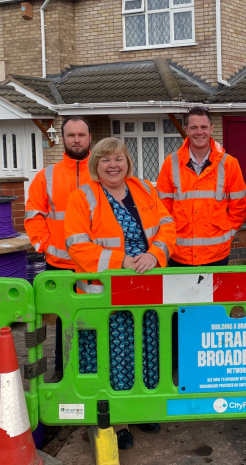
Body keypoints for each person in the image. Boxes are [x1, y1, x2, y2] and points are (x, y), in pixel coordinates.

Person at [64, 137, 176, 449]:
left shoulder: (144, 189)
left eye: (119, 158)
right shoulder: (82, 196)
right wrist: (120, 261)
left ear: (128, 162)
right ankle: (117, 421)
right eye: (105, 159)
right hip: (105, 295)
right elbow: (77, 244)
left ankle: (140, 409)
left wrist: (155, 253)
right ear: (95, 164)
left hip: (144, 288)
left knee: (146, 351)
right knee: (114, 358)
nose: (113, 165)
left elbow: (168, 225)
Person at [25, 116, 91, 380]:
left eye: (81, 135)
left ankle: (91, 372)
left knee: (95, 319)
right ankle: (61, 372)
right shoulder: (46, 176)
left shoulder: (101, 172)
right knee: (63, 322)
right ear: (62, 139)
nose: (77, 140)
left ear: (89, 138)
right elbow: (33, 215)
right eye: (71, 135)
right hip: (60, 265)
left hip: (95, 265)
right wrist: (44, 246)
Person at [156, 106, 246, 267]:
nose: (199, 132)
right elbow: (162, 209)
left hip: (216, 254)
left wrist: (226, 235)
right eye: (194, 127)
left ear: (212, 129)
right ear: (186, 130)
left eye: (204, 127)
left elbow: (239, 208)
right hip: (178, 253)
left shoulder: (229, 164)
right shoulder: (171, 163)